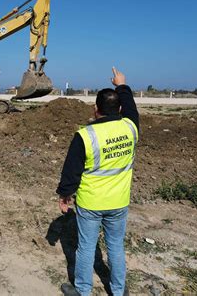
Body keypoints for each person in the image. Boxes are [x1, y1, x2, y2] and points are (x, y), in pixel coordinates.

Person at [57, 67, 139, 296]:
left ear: (95, 110)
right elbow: (131, 108)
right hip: (119, 202)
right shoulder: (131, 127)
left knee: (86, 247)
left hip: (91, 203)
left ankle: (83, 291)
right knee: (115, 246)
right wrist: (121, 84)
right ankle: (118, 289)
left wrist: (65, 195)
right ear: (120, 109)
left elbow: (71, 172)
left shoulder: (85, 135)